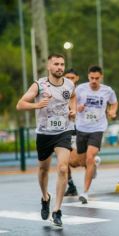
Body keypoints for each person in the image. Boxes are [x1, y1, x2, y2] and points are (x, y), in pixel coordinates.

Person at [16, 53, 76, 227]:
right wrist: (37, 105)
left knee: (63, 168)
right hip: (44, 133)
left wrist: (73, 110)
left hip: (64, 130)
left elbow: (72, 97)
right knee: (43, 170)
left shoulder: (70, 84)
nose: (60, 67)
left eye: (62, 64)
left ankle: (57, 211)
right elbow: (20, 104)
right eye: (56, 64)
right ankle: (45, 198)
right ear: (49, 66)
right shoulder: (39, 85)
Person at [75, 65, 118, 204]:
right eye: (92, 78)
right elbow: (71, 104)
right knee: (81, 162)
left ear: (101, 77)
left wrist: (112, 111)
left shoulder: (107, 91)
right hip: (81, 127)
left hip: (97, 128)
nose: (94, 81)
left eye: (97, 78)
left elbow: (114, 103)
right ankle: (94, 164)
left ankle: (85, 193)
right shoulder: (80, 89)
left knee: (89, 156)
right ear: (88, 77)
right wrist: (77, 108)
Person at [63, 68, 80, 196]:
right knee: (64, 160)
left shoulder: (82, 91)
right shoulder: (61, 91)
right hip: (66, 129)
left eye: (72, 78)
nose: (69, 80)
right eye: (67, 77)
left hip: (82, 129)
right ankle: (71, 185)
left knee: (74, 162)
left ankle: (93, 163)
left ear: (77, 78)